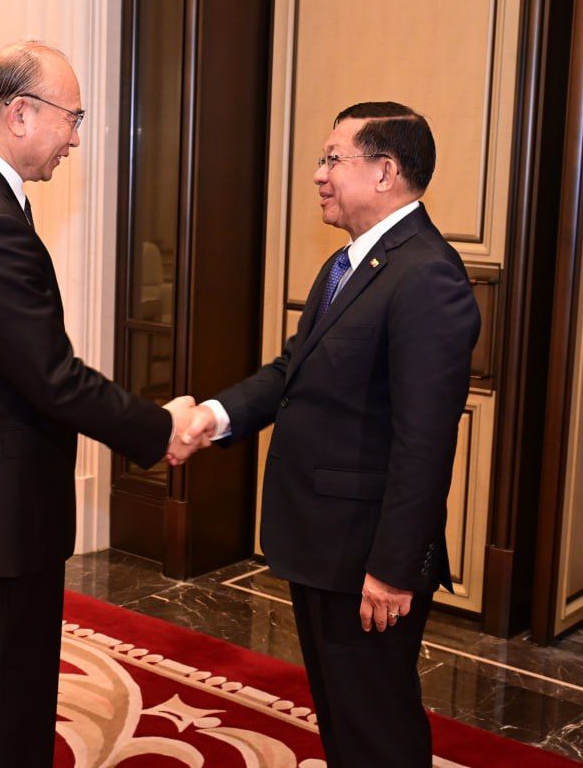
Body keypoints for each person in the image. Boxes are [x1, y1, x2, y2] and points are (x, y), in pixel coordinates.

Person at [0, 41, 196, 767]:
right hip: (1, 507)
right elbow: (51, 377)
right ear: (21, 112)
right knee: (5, 703)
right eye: (74, 118)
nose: (76, 139)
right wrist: (159, 427)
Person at [178, 102, 480, 766]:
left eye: (332, 159)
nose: (319, 174)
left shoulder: (426, 275)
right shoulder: (348, 264)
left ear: (384, 172)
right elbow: (293, 370)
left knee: (376, 728)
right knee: (344, 717)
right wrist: (214, 416)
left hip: (367, 553)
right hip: (324, 541)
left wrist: (393, 569)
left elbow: (425, 442)